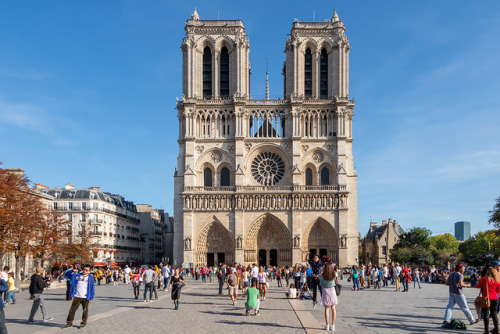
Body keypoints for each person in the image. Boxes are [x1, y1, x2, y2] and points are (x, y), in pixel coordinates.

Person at [62, 264, 95, 329]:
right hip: (77, 295)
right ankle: (69, 322)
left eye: (86, 270)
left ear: (89, 271)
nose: (84, 271)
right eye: (84, 269)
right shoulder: (76, 275)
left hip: (85, 296)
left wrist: (91, 297)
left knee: (85, 310)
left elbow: (92, 288)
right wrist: (72, 270)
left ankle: (83, 322)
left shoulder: (90, 278)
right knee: (72, 310)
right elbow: (65, 275)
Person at [476, 265, 500, 334]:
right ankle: (497, 329)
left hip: (486, 299)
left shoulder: (484, 279)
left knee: (486, 314)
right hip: (495, 299)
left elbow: (477, 286)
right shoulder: (497, 280)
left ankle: (486, 330)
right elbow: (498, 291)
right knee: (494, 314)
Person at [320, 263, 339, 331]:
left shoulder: (322, 276)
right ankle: (333, 325)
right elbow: (336, 281)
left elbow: (321, 284)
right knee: (333, 308)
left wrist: (322, 271)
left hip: (325, 291)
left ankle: (327, 325)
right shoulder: (334, 274)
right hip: (332, 290)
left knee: (327, 308)